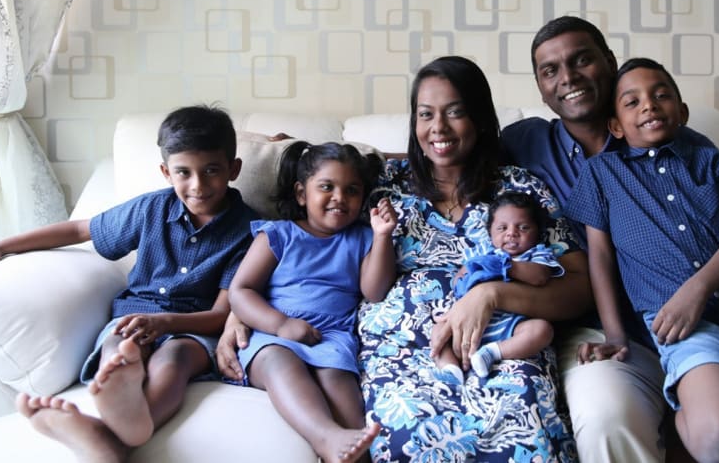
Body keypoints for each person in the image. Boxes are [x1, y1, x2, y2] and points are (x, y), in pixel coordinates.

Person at [218, 56, 590, 462]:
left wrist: (494, 296)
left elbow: (578, 289)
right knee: (400, 442)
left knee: (529, 444)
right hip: (401, 355)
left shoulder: (520, 188)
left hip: (503, 347)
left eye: (455, 113)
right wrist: (242, 314)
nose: (438, 128)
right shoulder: (382, 184)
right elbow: (309, 230)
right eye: (425, 115)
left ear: (481, 118)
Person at [500, 15, 719, 462]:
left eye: (583, 60)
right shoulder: (527, 142)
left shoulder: (680, 142)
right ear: (541, 87)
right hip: (606, 324)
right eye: (551, 70)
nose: (569, 78)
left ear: (608, 61)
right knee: (611, 413)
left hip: (717, 310)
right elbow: (452, 158)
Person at [0, 104, 257, 463]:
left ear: (233, 169)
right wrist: (2, 244)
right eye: (184, 172)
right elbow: (79, 229)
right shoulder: (151, 209)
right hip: (134, 317)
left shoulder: (251, 232)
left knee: (176, 359)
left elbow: (220, 315)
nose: (197, 185)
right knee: (119, 346)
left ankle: (115, 440)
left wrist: (167, 323)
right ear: (166, 172)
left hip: (193, 329)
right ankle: (120, 382)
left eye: (211, 171)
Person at [564, 58, 719, 461]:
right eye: (632, 101)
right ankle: (687, 421)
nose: (649, 106)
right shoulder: (602, 174)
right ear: (615, 126)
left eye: (661, 95)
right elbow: (600, 259)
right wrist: (615, 335)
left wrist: (698, 287)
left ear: (683, 112)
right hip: (686, 330)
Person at [227, 140, 397, 463]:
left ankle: (351, 451)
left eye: (351, 190)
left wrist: (383, 236)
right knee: (280, 362)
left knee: (342, 391)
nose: (339, 198)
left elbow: (374, 291)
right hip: (273, 334)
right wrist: (281, 325)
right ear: (302, 194)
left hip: (332, 338)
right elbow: (241, 291)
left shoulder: (361, 238)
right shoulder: (278, 234)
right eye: (327, 187)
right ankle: (325, 437)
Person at [432, 191, 565, 382]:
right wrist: (468, 278)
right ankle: (449, 367)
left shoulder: (536, 254)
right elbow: (459, 278)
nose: (511, 233)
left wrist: (506, 266)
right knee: (438, 330)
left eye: (523, 227)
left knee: (542, 331)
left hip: (512, 325)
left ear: (538, 232)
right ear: (490, 232)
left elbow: (540, 277)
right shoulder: (482, 252)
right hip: (468, 321)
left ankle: (492, 353)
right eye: (502, 228)